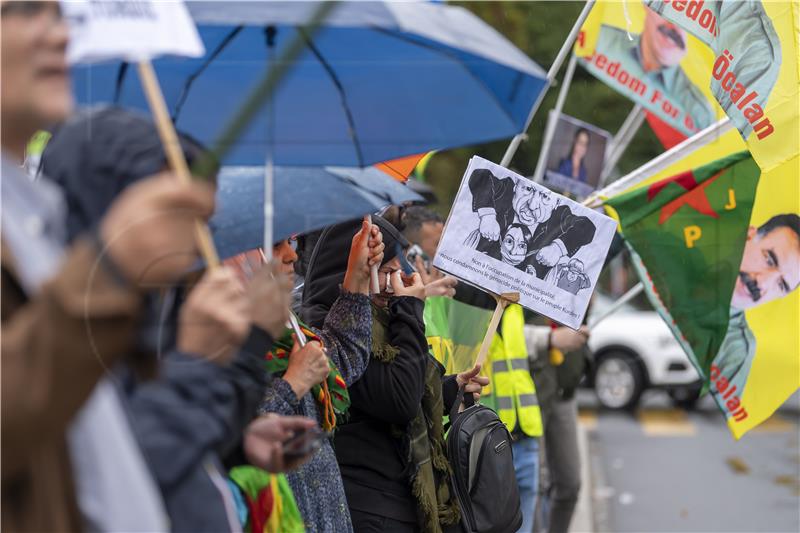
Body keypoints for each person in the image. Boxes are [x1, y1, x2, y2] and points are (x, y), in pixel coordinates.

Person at [1, 3, 220, 531]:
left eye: (59, 14)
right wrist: (110, 272)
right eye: (25, 11)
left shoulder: (37, 224)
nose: (59, 35)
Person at [303, 216, 487, 533]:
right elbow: (397, 401)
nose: (397, 281)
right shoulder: (329, 331)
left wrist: (449, 388)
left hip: (397, 505)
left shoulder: (381, 320)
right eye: (386, 272)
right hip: (368, 509)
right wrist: (410, 311)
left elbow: (407, 390)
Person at [244, 220, 384, 533]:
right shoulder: (216, 344)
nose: (291, 256)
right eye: (274, 246)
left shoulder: (281, 333)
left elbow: (344, 357)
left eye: (289, 243)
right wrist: (292, 383)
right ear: (236, 257)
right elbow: (234, 437)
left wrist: (357, 275)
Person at [711, 214, 800, 411]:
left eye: (782, 285)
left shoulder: (736, 351)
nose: (762, 283)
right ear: (748, 235)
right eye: (769, 259)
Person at [583, 7, 714, 134]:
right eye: (669, 7)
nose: (675, 26)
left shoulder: (701, 115)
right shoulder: (599, 40)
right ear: (646, 5)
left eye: (691, 19)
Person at [469, 169, 596, 279]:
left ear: (556, 204)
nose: (532, 205)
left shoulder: (559, 218)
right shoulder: (505, 191)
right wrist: (487, 215)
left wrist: (558, 248)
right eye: (528, 189)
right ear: (516, 186)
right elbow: (481, 176)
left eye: (545, 198)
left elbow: (587, 227)